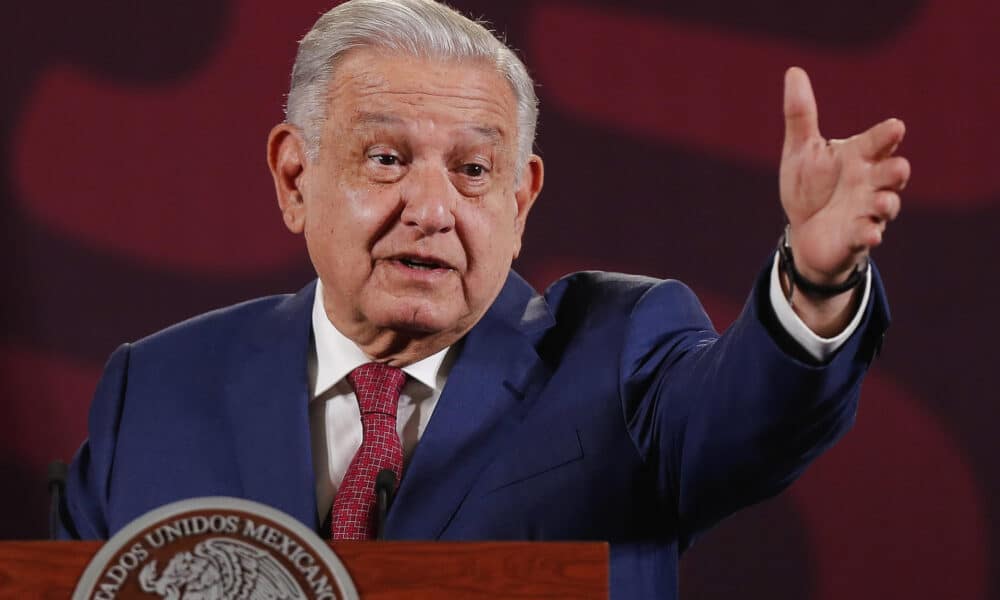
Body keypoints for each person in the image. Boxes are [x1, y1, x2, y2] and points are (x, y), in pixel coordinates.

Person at [58, 0, 909, 597]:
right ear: (293, 176)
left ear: (520, 200)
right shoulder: (157, 387)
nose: (432, 211)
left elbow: (746, 411)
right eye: (386, 158)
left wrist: (816, 280)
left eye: (472, 170)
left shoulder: (616, 355)